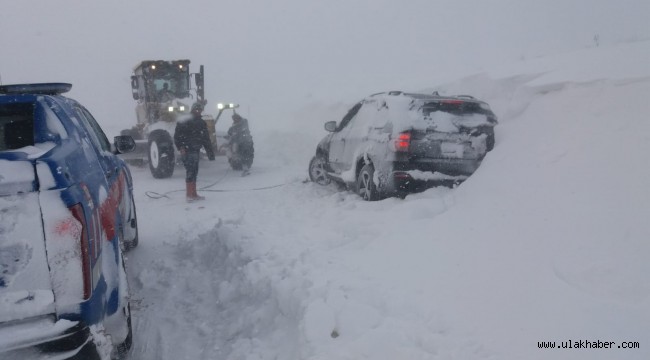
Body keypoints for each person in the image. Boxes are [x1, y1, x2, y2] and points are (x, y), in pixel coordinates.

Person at [174, 102, 215, 201]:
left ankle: (194, 193)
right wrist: (181, 147)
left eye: (200, 110)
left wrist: (210, 153)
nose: (198, 111)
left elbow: (206, 139)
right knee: (190, 171)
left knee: (194, 171)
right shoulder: (184, 121)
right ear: (192, 109)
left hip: (195, 150)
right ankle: (189, 195)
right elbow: (177, 136)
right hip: (187, 150)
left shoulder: (201, 122)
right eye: (197, 109)